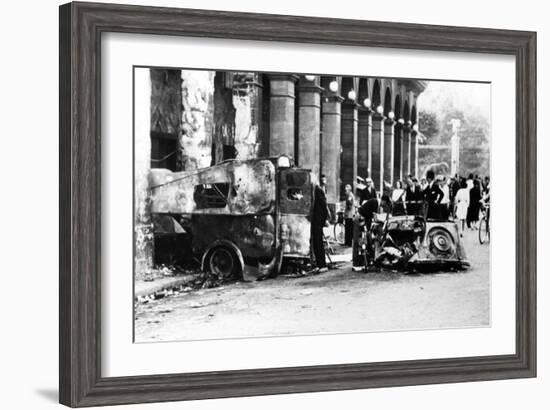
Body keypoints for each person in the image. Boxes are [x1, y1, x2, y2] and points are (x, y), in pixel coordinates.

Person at [311, 181, 329, 273]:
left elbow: (324, 206)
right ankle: (319, 264)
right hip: (317, 220)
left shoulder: (318, 191)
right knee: (317, 242)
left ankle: (322, 264)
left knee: (318, 243)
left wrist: (324, 219)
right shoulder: (317, 190)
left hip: (318, 220)